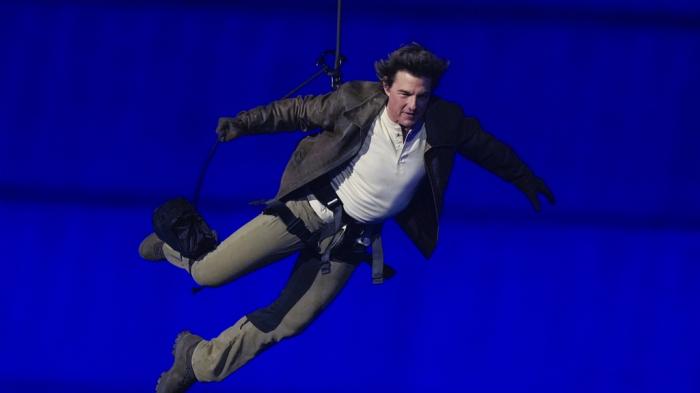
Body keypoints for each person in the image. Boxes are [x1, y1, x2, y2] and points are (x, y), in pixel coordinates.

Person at [139, 42, 555, 393]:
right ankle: (173, 248)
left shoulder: (443, 121)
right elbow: (296, 111)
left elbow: (487, 147)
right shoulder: (357, 100)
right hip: (307, 211)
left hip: (349, 240)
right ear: (387, 86)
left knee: (291, 320)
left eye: (422, 96)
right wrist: (243, 124)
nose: (413, 105)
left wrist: (525, 178)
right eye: (405, 94)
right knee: (209, 273)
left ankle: (199, 359)